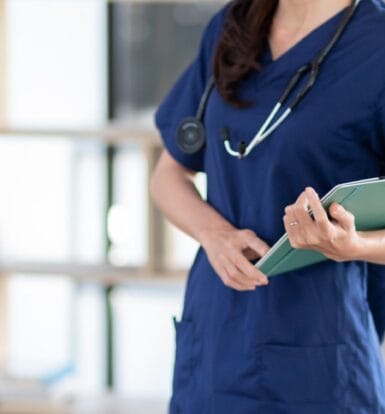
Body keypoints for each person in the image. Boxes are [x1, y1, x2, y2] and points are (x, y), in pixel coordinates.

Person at [150, 0, 385, 412]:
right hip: (215, 332)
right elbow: (167, 176)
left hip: (319, 354)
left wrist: (355, 245)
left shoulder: (376, 46)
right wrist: (214, 234)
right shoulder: (233, 25)